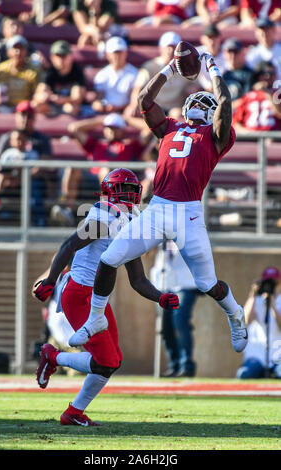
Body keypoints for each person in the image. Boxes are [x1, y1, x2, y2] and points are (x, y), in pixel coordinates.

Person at [66, 47, 249, 356]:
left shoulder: (216, 137)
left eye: (206, 102)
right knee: (110, 258)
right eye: (196, 100)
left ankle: (235, 313)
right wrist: (169, 69)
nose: (198, 104)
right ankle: (96, 318)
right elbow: (144, 102)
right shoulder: (170, 127)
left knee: (206, 284)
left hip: (188, 213)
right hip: (158, 207)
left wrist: (212, 68)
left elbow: (226, 103)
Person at [33, 168, 179, 426]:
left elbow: (138, 280)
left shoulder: (130, 221)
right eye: (126, 189)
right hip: (79, 295)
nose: (131, 196)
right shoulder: (103, 217)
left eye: (135, 190)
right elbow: (69, 245)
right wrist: (50, 279)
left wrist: (160, 297)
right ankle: (54, 359)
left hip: (98, 299)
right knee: (106, 361)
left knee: (113, 361)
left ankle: (73, 411)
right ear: (110, 191)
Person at [51, 112, 146, 224]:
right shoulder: (97, 145)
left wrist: (126, 119)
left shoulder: (131, 146)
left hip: (119, 184)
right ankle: (67, 209)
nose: (111, 131)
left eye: (115, 128)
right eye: (108, 128)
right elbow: (74, 128)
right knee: (72, 168)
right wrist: (102, 119)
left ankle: (107, 212)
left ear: (122, 130)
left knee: (106, 171)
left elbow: (148, 128)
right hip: (92, 180)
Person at [0, 100, 51, 226]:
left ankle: (41, 226)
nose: (25, 119)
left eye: (29, 116)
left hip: (30, 180)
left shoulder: (42, 139)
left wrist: (21, 178)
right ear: (16, 116)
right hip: (7, 180)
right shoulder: (6, 138)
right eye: (22, 114)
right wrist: (2, 178)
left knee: (35, 188)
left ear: (34, 118)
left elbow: (42, 166)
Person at [150, 240, 200, 377]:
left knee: (180, 321)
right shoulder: (160, 236)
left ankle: (186, 365)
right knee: (165, 328)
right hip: (164, 285)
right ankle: (175, 364)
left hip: (184, 284)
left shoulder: (187, 232)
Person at [124, 31, 191, 118]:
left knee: (178, 114)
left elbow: (194, 86)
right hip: (154, 108)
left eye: (173, 47)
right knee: (131, 115)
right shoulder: (149, 66)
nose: (170, 51)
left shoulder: (185, 68)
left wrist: (191, 89)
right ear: (161, 48)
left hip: (175, 109)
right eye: (167, 47)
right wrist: (133, 105)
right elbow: (138, 88)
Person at [236, 267, 281, 379]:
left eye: (274, 283)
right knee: (244, 374)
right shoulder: (256, 301)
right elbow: (245, 321)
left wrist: (272, 306)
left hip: (277, 355)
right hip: (257, 355)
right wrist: (253, 295)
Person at [32, 40, 86, 117]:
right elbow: (38, 94)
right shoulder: (49, 72)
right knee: (36, 105)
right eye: (58, 56)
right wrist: (45, 97)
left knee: (71, 108)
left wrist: (62, 99)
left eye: (64, 56)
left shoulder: (77, 71)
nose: (61, 60)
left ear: (70, 56)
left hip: (69, 105)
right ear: (52, 57)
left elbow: (78, 98)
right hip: (52, 106)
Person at [0, 35, 42, 112]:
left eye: (21, 48)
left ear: (26, 51)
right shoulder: (0, 69)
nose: (18, 52)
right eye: (15, 48)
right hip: (4, 108)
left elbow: (37, 94)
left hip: (25, 109)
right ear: (8, 51)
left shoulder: (33, 71)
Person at [92, 36, 138, 115]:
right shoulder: (102, 74)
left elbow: (134, 97)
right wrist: (101, 105)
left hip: (125, 113)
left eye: (120, 52)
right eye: (115, 52)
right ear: (108, 54)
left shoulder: (135, 73)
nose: (117, 56)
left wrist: (126, 107)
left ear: (126, 53)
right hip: (106, 113)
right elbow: (99, 98)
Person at [232, 61, 281, 132]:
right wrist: (251, 135)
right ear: (258, 76)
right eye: (264, 74)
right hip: (251, 139)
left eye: (271, 73)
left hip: (273, 139)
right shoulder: (249, 96)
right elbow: (236, 123)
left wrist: (268, 93)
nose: (268, 76)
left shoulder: (278, 94)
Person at [222, 38, 254, 103]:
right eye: (230, 52)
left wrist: (230, 106)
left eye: (235, 52)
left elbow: (247, 98)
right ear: (225, 54)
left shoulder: (249, 74)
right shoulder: (225, 75)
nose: (233, 55)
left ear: (242, 53)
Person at [197, 24, 227, 92]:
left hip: (222, 88)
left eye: (215, 37)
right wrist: (207, 85)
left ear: (220, 38)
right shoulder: (197, 53)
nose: (212, 41)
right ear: (203, 39)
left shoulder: (227, 53)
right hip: (202, 89)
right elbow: (198, 75)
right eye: (209, 37)